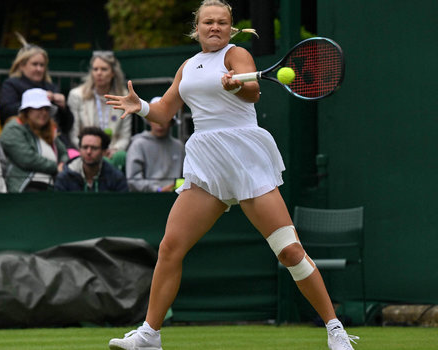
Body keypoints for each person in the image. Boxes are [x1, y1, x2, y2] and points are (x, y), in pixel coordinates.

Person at [105, 1, 359, 350]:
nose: (215, 28)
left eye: (222, 23)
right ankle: (149, 335)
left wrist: (235, 86)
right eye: (208, 22)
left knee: (289, 251)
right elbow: (164, 111)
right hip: (207, 164)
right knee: (170, 248)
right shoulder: (188, 66)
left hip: (244, 158)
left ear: (230, 28)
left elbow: (253, 92)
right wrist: (142, 107)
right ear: (197, 28)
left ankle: (335, 330)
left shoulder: (236, 55)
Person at [0, 43, 74, 148]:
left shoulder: (51, 87)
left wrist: (64, 108)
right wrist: (34, 102)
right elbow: (6, 112)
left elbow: (66, 125)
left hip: (55, 139)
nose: (39, 69)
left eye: (42, 65)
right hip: (24, 139)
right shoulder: (11, 84)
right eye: (35, 64)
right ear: (22, 65)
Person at [0, 88, 69, 192]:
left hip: (52, 185)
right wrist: (56, 168)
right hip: (25, 187)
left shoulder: (48, 130)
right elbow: (27, 159)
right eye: (39, 108)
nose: (44, 113)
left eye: (46, 109)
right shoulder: (13, 128)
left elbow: (63, 152)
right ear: (27, 111)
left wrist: (63, 164)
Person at [67, 51, 131, 159]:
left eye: (104, 69)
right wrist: (89, 149)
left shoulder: (124, 97)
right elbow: (74, 134)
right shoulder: (76, 95)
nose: (99, 73)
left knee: (120, 157)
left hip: (111, 152)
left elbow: (125, 136)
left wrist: (115, 150)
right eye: (95, 69)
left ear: (113, 73)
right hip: (86, 150)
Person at [126, 97, 185, 192]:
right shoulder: (138, 144)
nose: (160, 124)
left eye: (164, 119)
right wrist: (157, 190)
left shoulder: (179, 147)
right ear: (149, 121)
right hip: (147, 199)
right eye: (155, 119)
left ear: (171, 122)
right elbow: (133, 180)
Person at [54, 126, 128, 193]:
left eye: (94, 148)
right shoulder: (65, 177)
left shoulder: (116, 178)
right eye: (85, 147)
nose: (88, 152)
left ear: (103, 152)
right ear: (79, 149)